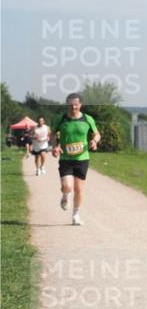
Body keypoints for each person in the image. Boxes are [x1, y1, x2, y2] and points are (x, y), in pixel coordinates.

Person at [51, 93, 101, 226]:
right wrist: (55, 146)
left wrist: (94, 141)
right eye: (71, 104)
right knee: (67, 186)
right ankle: (65, 196)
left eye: (76, 104)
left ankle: (76, 215)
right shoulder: (60, 119)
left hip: (82, 158)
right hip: (66, 158)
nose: (73, 107)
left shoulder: (87, 119)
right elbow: (53, 134)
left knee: (79, 189)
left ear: (80, 105)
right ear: (67, 105)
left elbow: (96, 134)